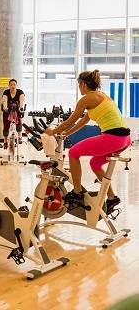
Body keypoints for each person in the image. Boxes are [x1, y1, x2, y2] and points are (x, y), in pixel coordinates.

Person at [44, 69, 131, 213]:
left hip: (113, 138)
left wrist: (53, 131)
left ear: (83, 84)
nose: (79, 88)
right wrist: (66, 133)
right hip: (125, 139)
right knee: (95, 163)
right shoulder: (101, 96)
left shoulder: (87, 98)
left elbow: (70, 120)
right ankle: (111, 197)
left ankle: (77, 191)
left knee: (73, 152)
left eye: (79, 85)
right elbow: (83, 121)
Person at [2, 79, 25, 149]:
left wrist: (21, 107)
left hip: (17, 109)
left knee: (19, 121)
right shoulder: (6, 92)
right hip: (8, 110)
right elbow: (4, 100)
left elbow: (21, 100)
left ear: (16, 85)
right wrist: (5, 107)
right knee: (6, 124)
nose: (13, 86)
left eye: (14, 84)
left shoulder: (20, 92)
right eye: (11, 85)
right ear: (8, 86)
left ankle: (20, 136)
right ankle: (5, 140)